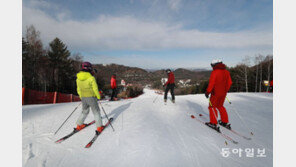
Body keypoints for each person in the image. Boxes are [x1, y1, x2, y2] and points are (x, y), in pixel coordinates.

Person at [75, 62, 105, 134]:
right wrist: (98, 96)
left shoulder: (78, 78)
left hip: (83, 97)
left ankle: (79, 125)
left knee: (85, 111)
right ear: (89, 68)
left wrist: (81, 96)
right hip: (91, 97)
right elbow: (95, 88)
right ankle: (99, 127)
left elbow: (78, 89)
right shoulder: (91, 78)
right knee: (96, 112)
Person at [205, 59, 232, 130]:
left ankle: (213, 123)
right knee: (220, 106)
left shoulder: (215, 72)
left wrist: (208, 91)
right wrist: (225, 90)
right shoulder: (226, 72)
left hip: (215, 93)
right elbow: (229, 83)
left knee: (212, 107)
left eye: (212, 65)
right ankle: (224, 121)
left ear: (215, 65)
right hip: (223, 93)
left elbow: (212, 83)